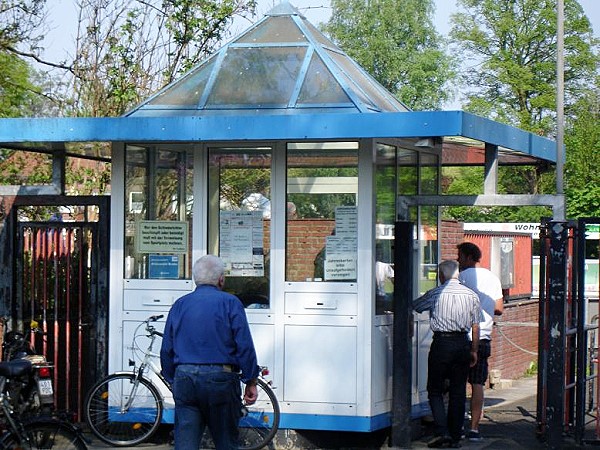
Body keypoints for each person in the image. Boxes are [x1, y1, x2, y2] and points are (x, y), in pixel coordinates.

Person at [160, 254, 259, 450]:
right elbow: (244, 345)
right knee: (226, 442)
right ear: (221, 279)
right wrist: (251, 379)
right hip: (220, 379)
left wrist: (173, 379)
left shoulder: (179, 305)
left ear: (195, 279)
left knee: (185, 443)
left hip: (185, 378)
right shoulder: (231, 303)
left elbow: (166, 349)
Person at [413, 260, 481, 449]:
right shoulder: (472, 295)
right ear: (458, 274)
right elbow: (476, 326)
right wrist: (474, 350)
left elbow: (416, 306)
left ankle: (442, 432)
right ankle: (455, 434)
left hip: (442, 343)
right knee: (458, 392)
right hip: (462, 343)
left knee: (434, 389)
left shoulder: (435, 293)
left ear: (441, 276)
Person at [457, 242, 504, 442]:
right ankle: (474, 428)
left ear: (468, 257)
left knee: (456, 383)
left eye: (460, 256)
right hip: (483, 336)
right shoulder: (492, 278)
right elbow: (499, 308)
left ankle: (456, 425)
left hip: (459, 336)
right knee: (477, 384)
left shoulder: (459, 278)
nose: (458, 260)